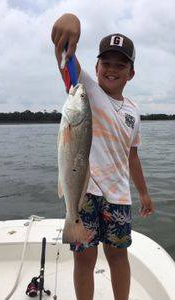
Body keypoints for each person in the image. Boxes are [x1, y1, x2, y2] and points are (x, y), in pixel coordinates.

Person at [51, 13, 155, 300]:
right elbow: (65, 56)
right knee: (84, 260)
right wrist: (70, 21)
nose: (112, 69)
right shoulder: (86, 90)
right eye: (105, 63)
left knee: (118, 256)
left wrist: (144, 193)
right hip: (84, 191)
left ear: (131, 72)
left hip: (119, 195)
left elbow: (132, 157)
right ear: (95, 67)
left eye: (120, 65)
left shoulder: (134, 112)